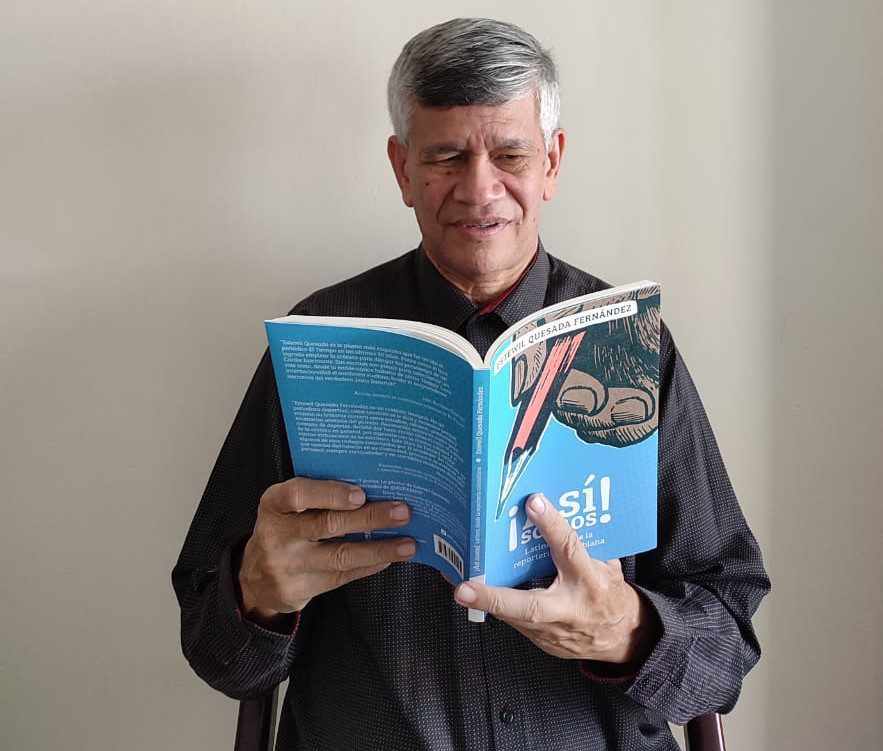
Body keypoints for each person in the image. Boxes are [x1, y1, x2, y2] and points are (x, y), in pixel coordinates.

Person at [173, 18, 770, 751]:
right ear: (402, 170)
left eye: (510, 154)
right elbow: (216, 652)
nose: (479, 189)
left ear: (551, 163)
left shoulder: (630, 344)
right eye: (446, 156)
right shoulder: (320, 344)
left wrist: (628, 630)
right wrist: (257, 593)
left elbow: (727, 634)